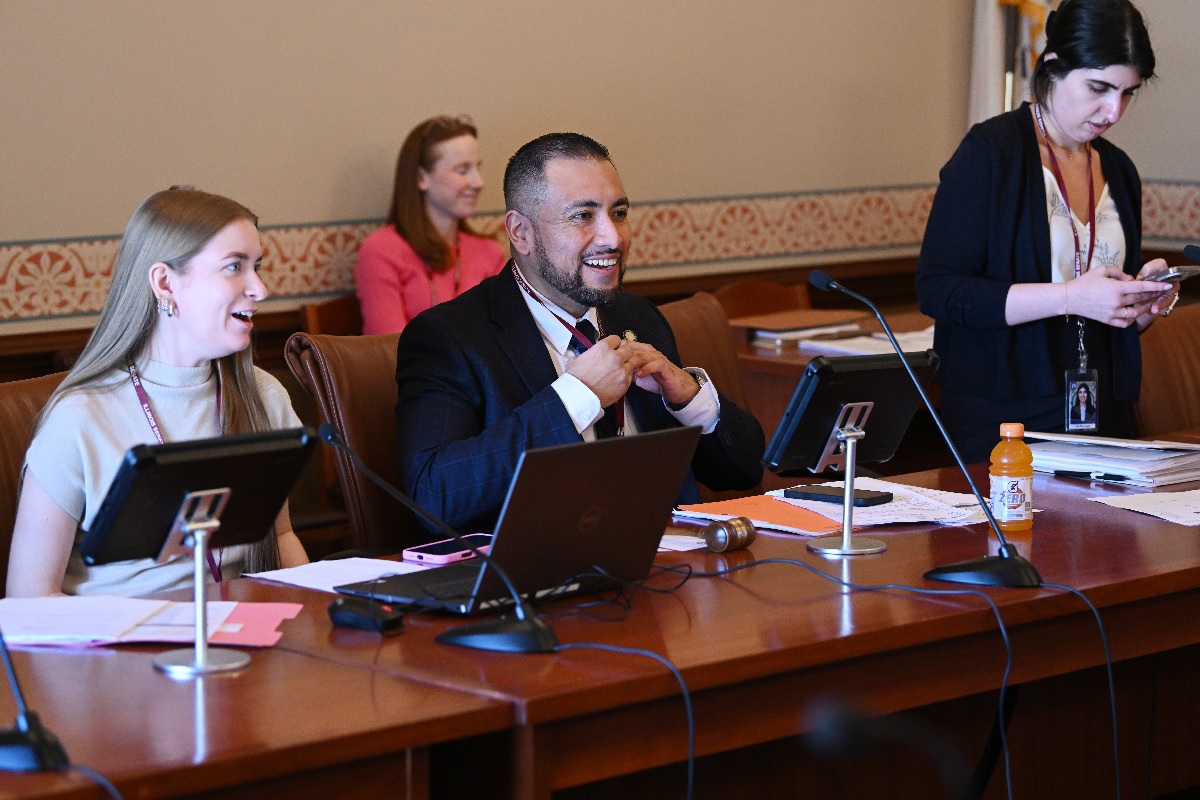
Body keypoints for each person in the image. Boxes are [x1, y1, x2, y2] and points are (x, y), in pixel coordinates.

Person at [394, 133, 765, 534]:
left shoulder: (638, 317)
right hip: (546, 578)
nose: (612, 237)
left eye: (619, 213)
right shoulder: (450, 338)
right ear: (521, 233)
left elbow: (743, 470)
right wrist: (576, 398)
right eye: (583, 216)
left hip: (673, 566)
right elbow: (434, 497)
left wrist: (689, 396)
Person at [7, 188, 309, 597]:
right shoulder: (79, 416)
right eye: (234, 267)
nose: (260, 288)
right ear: (165, 282)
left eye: (257, 266)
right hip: (114, 649)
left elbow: (283, 537)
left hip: (240, 634)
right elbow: (30, 598)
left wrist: (318, 612)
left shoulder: (264, 394)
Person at [916, 0, 1177, 462]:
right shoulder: (989, 153)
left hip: (1102, 416)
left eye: (1127, 93)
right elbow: (939, 291)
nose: (1113, 111)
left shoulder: (1119, 168)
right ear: (1053, 67)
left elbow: (1107, 323)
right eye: (1099, 87)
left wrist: (1140, 304)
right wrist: (1070, 297)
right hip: (1002, 423)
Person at [356, 115, 507, 334]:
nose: (478, 182)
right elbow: (387, 349)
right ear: (421, 178)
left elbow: (505, 339)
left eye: (477, 168)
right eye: (463, 170)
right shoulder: (381, 251)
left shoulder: (489, 253)